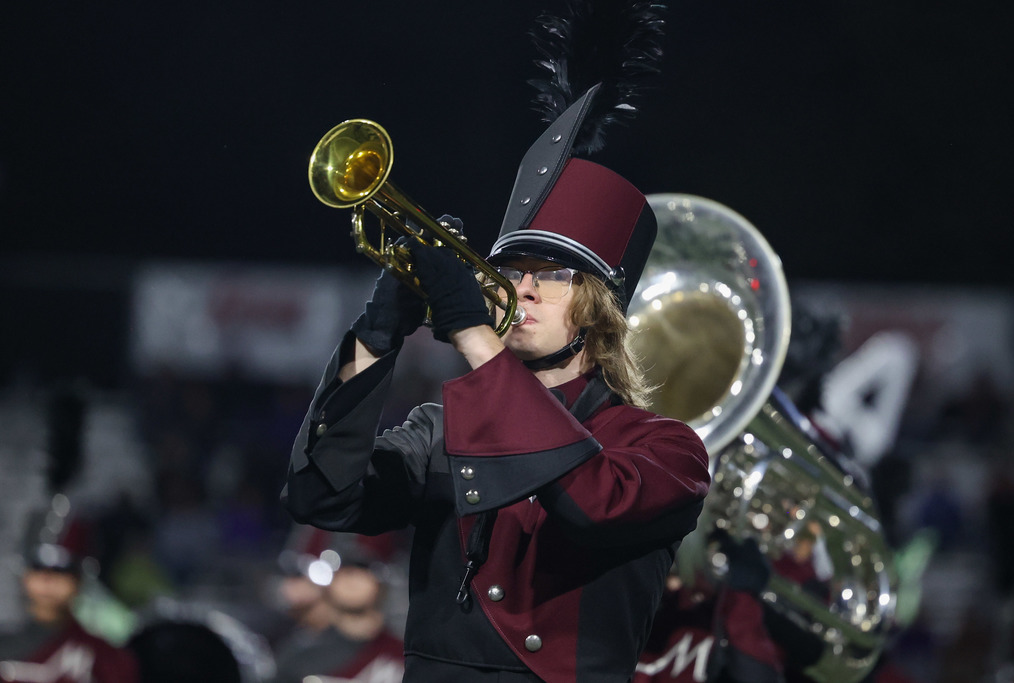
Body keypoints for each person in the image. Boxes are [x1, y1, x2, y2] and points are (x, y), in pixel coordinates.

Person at [282, 84, 711, 682]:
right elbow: (321, 495)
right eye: (511, 269)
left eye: (552, 274)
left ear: (597, 308)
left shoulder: (667, 448)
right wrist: (377, 337)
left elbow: (589, 504)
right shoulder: (440, 429)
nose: (523, 287)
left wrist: (471, 333)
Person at [0, 495, 140, 683]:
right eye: (38, 567)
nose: (47, 579)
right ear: (23, 573)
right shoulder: (5, 646)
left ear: (80, 578)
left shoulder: (107, 659)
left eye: (61, 570)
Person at [270, 527, 404, 683]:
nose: (351, 576)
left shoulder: (404, 655)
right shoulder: (297, 659)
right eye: (341, 569)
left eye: (363, 567)